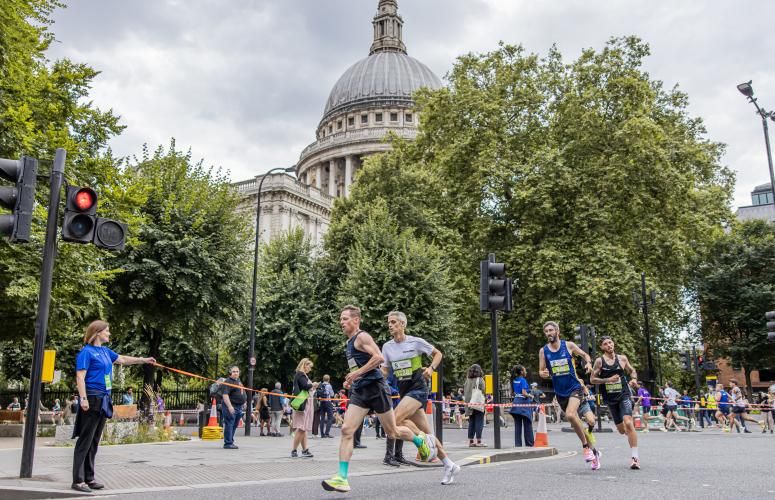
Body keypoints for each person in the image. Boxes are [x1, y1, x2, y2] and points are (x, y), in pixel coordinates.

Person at [322, 305, 434, 493]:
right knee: (346, 429)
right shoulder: (349, 342)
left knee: (392, 431)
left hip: (376, 389)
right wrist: (352, 379)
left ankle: (419, 440)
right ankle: (342, 477)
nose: (341, 322)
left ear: (356, 320)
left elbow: (378, 358)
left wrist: (357, 373)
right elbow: (358, 368)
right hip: (360, 391)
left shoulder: (362, 337)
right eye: (341, 319)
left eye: (345, 319)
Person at [71, 320, 155, 493]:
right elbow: (80, 377)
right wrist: (83, 398)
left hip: (104, 398)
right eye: (107, 331)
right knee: (85, 439)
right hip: (92, 397)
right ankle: (78, 481)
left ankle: (89, 478)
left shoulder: (105, 351)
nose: (109, 333)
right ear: (97, 333)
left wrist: (143, 360)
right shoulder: (86, 352)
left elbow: (123, 359)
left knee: (95, 440)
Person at [380, 311, 460, 483]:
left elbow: (438, 354)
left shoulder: (415, 342)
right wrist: (371, 378)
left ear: (403, 324)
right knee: (428, 433)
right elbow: (385, 371)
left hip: (418, 389)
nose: (390, 325)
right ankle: (449, 464)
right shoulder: (387, 347)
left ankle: (420, 441)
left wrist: (431, 369)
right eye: (389, 322)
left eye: (393, 322)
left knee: (394, 421)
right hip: (404, 391)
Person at [538, 321, 600, 470]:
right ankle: (594, 452)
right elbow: (541, 370)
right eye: (546, 331)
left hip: (575, 387)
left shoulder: (568, 345)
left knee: (571, 415)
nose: (549, 333)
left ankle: (585, 448)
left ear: (557, 331)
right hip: (560, 392)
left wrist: (588, 364)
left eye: (551, 330)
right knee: (575, 421)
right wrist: (543, 373)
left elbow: (585, 355)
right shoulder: (543, 351)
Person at [590, 336, 641, 470]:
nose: (609, 345)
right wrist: (608, 380)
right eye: (605, 344)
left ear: (613, 344)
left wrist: (634, 379)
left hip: (624, 395)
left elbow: (632, 370)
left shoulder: (622, 359)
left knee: (628, 423)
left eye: (610, 342)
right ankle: (630, 434)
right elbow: (592, 379)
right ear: (602, 347)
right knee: (621, 430)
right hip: (610, 399)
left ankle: (635, 458)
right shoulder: (599, 362)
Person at [291, 358, 317, 458]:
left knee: (304, 428)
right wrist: (313, 384)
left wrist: (312, 386)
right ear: (304, 365)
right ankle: (294, 450)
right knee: (302, 428)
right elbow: (305, 386)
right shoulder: (300, 374)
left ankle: (305, 449)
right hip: (303, 403)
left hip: (304, 402)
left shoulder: (301, 375)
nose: (310, 369)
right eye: (309, 366)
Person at [220, 366, 246, 449]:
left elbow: (241, 392)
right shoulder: (228, 381)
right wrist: (230, 406)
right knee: (229, 424)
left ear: (239, 372)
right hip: (231, 406)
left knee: (234, 424)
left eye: (237, 371)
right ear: (230, 372)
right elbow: (225, 395)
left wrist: (243, 402)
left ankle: (230, 440)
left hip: (239, 406)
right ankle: (228, 443)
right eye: (234, 371)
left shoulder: (238, 381)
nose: (235, 373)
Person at [509, 365, 534, 447]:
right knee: (527, 424)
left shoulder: (514, 380)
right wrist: (531, 396)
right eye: (525, 370)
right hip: (524, 403)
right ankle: (529, 444)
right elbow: (524, 393)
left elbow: (512, 393)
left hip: (516, 403)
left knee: (517, 425)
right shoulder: (523, 380)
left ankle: (518, 444)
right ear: (521, 372)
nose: (526, 372)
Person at [464, 364, 486, 447]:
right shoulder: (480, 380)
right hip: (477, 403)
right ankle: (479, 441)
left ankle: (471, 441)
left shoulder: (467, 380)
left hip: (469, 403)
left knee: (471, 421)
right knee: (479, 421)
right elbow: (483, 390)